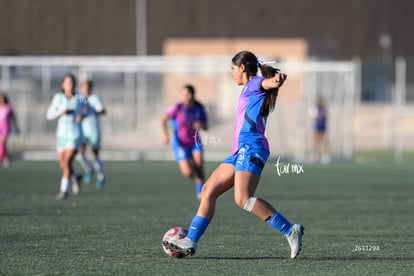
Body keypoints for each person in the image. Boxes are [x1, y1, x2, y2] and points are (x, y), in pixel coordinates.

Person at [163, 51, 304, 259]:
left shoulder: (255, 83)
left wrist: (275, 81)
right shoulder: (249, 87)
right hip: (240, 150)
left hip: (252, 147)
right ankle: (191, 239)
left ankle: (289, 230)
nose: (231, 74)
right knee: (208, 189)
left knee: (243, 199)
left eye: (232, 69)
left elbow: (268, 84)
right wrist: (273, 81)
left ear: (242, 68)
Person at [160, 84, 208, 199]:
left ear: (193, 95)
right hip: (180, 143)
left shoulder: (199, 108)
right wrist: (165, 135)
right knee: (187, 172)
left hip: (195, 142)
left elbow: (206, 126)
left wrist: (201, 124)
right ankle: (195, 175)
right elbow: (162, 119)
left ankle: (201, 190)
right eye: (183, 94)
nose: (185, 97)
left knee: (199, 166)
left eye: (187, 94)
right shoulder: (177, 108)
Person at [46, 74, 84, 200]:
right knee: (63, 164)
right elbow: (49, 115)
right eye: (67, 82)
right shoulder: (58, 98)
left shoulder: (80, 97)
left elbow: (90, 108)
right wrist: (59, 112)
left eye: (72, 82)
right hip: (61, 135)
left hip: (74, 134)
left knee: (68, 161)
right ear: (63, 85)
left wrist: (83, 115)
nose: (70, 85)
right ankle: (76, 176)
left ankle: (64, 191)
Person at [76, 80, 106, 188]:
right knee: (80, 154)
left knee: (95, 155)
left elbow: (103, 111)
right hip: (83, 131)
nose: (85, 89)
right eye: (83, 87)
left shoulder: (94, 98)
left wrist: (91, 111)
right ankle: (89, 170)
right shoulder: (80, 99)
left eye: (88, 87)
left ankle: (101, 176)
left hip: (93, 131)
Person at [0, 93, 20, 167]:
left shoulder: (9, 107)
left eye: (3, 98)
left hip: (6, 127)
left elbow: (13, 118)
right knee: (2, 144)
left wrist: (16, 126)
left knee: (2, 143)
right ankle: (6, 158)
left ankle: (2, 157)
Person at [310, 97, 330, 163]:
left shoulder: (324, 109)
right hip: (316, 127)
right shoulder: (315, 109)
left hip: (322, 127)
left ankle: (325, 156)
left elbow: (326, 118)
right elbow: (314, 118)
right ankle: (315, 155)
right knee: (315, 142)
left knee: (324, 141)